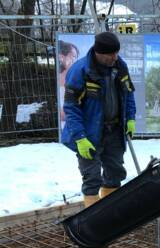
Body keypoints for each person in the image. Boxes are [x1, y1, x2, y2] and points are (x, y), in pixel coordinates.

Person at [61, 32, 136, 208]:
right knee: (92, 177)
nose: (114, 57)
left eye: (116, 53)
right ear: (98, 52)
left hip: (114, 131)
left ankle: (111, 213)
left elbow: (128, 93)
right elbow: (71, 108)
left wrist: (130, 118)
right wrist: (79, 137)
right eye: (111, 54)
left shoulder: (120, 66)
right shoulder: (79, 71)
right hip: (89, 134)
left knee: (115, 173)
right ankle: (93, 219)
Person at [58, 40, 79, 129]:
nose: (75, 60)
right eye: (72, 56)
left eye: (76, 57)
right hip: (64, 125)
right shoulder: (57, 77)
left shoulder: (78, 77)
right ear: (61, 56)